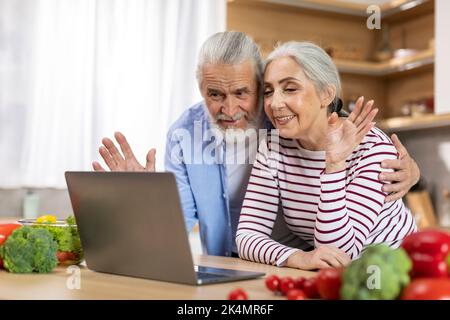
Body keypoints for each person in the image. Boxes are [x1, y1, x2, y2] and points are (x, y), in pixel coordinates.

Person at [92, 31, 420, 257]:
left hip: (371, 267)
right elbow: (178, 227)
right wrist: (148, 198)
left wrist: (411, 170)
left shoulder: (283, 124)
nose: (230, 110)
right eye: (215, 95)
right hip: (240, 262)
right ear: (201, 89)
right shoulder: (189, 134)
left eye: (242, 93)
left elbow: (330, 119)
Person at [236, 41, 417, 270]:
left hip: (394, 273)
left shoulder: (372, 149)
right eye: (269, 92)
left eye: (290, 88)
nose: (275, 103)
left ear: (326, 94)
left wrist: (334, 165)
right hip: (338, 279)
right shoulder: (273, 146)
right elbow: (247, 235)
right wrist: (298, 257)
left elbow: (339, 253)